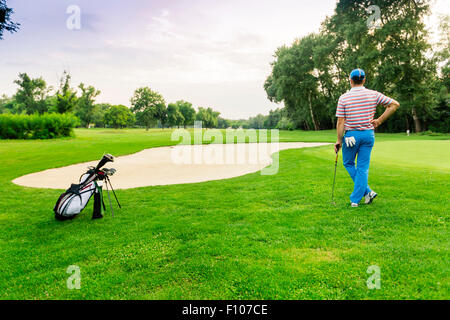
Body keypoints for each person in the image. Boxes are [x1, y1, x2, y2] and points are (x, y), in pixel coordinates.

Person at [334, 69, 400, 207]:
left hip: (351, 136)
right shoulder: (373, 94)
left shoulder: (344, 98)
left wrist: (339, 141)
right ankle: (368, 193)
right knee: (363, 168)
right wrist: (379, 121)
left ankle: (355, 199)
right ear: (364, 80)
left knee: (348, 163)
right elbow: (394, 104)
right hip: (368, 135)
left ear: (350, 80)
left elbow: (341, 122)